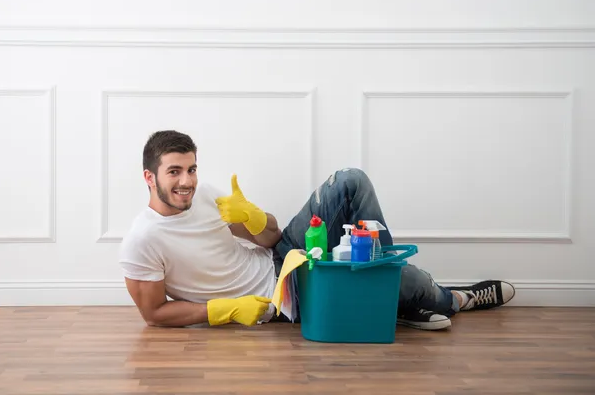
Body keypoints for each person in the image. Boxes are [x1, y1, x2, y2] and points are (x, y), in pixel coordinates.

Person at [119, 130, 515, 330]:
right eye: (175, 171)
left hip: (281, 257)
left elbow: (271, 238)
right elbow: (154, 312)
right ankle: (455, 299)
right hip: (280, 297)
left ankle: (385, 291)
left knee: (350, 180)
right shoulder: (142, 240)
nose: (187, 181)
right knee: (410, 280)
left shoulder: (205, 195)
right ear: (148, 177)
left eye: (191, 169)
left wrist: (257, 218)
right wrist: (218, 311)